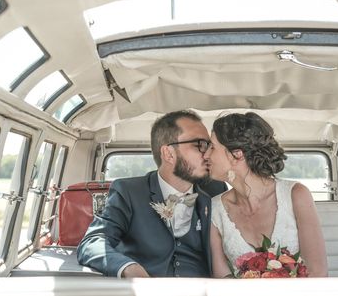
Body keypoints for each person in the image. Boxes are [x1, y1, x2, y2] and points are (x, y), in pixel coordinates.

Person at [77, 110, 227, 277]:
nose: (207, 154)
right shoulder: (129, 192)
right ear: (168, 154)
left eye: (209, 146)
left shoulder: (216, 192)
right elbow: (93, 242)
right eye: (200, 144)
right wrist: (128, 267)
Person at [204, 112, 328, 278]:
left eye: (212, 147)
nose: (205, 155)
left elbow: (317, 272)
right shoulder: (214, 209)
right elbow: (222, 279)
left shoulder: (296, 195)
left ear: (236, 154)